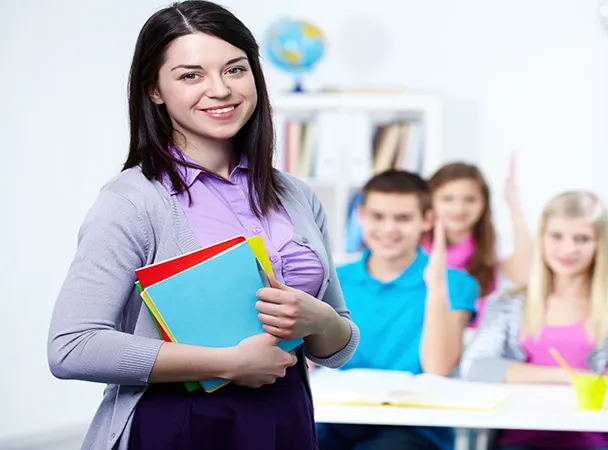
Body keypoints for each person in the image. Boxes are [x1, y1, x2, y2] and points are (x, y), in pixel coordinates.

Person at [46, 2, 359, 449]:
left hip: (287, 416)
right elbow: (72, 346)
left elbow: (338, 347)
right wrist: (226, 362)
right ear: (154, 90)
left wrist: (321, 318)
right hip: (179, 421)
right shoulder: (132, 201)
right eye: (191, 75)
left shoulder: (297, 195)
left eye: (235, 69)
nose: (220, 90)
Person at [460, 191, 608, 450]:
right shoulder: (507, 305)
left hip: (598, 442)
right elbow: (476, 368)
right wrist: (574, 377)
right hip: (519, 442)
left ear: (599, 244)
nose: (568, 249)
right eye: (556, 236)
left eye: (582, 238)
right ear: (541, 239)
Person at [316, 170, 479, 450]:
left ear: (427, 220)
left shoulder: (455, 283)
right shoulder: (334, 277)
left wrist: (436, 285)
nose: (389, 229)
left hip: (415, 428)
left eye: (402, 218)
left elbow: (438, 368)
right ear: (362, 216)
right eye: (378, 217)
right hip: (336, 416)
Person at [423, 155, 532, 327]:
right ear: (431, 201)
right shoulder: (415, 245)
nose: (459, 209)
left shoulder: (494, 243)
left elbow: (525, 277)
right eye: (447, 199)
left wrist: (514, 204)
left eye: (470, 200)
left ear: (484, 203)